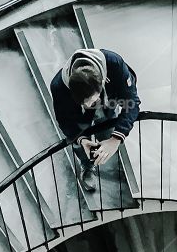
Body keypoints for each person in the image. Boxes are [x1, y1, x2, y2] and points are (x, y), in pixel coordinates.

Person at [50, 47, 140, 192]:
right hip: (80, 114)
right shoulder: (59, 87)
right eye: (83, 103)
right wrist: (82, 140)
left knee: (107, 124)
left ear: (103, 81)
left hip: (108, 100)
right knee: (79, 139)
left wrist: (116, 138)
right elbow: (66, 120)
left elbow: (132, 102)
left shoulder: (114, 64)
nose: (88, 106)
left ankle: (105, 137)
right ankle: (86, 165)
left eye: (91, 101)